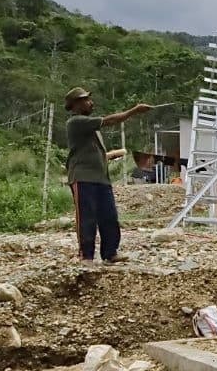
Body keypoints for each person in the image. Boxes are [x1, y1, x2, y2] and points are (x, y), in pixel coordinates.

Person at [63, 87, 152, 263]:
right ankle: (86, 256)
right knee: (86, 218)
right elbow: (110, 120)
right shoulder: (76, 122)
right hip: (82, 178)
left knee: (109, 217)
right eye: (85, 100)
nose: (90, 102)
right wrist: (134, 110)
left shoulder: (90, 128)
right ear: (75, 105)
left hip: (101, 179)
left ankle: (110, 253)